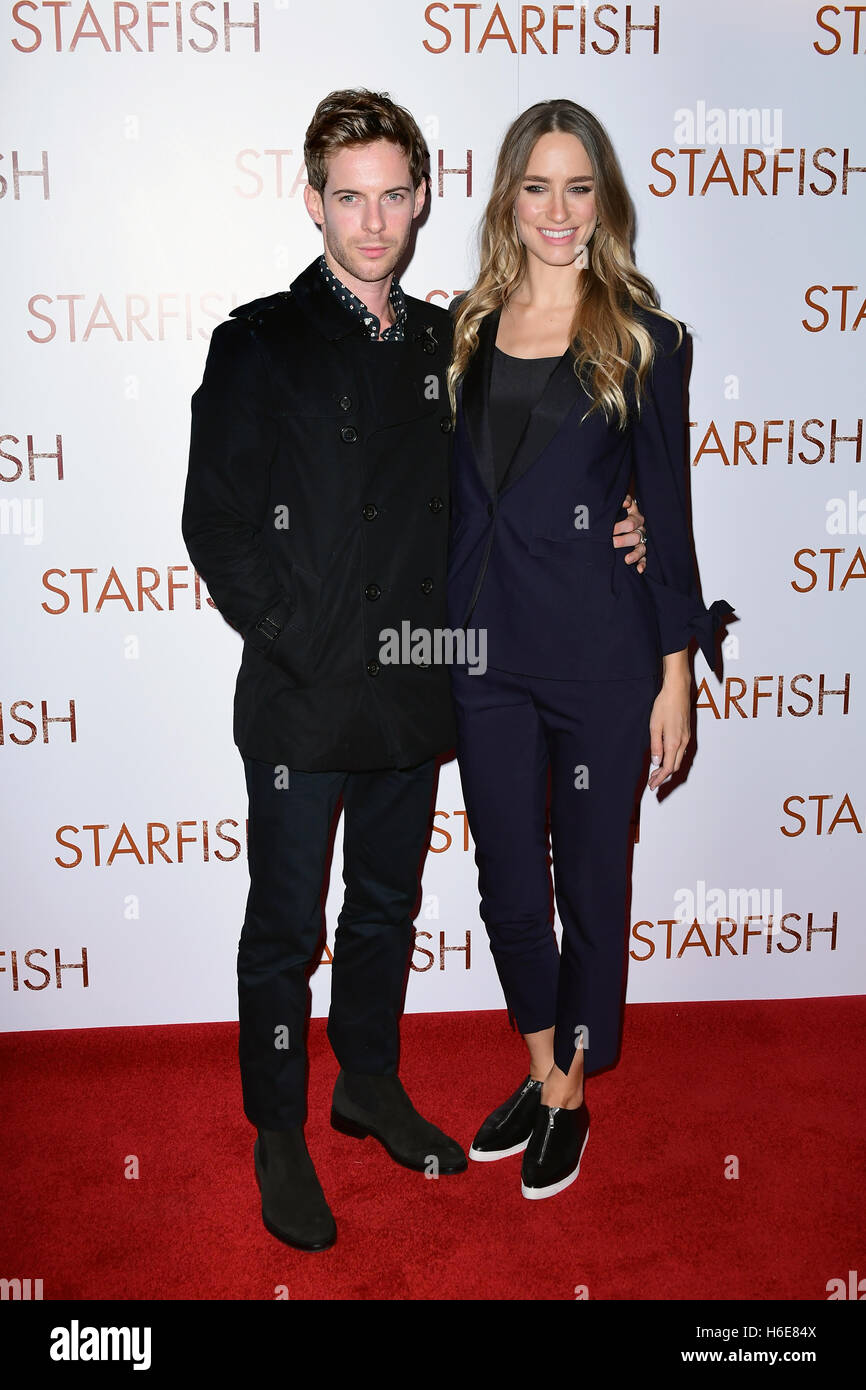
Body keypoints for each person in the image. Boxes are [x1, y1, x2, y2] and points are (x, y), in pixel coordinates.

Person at [182, 88, 648, 1252]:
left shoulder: (452, 341)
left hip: (415, 688)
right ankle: (280, 1127)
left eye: (395, 194)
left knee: (385, 907)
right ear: (314, 202)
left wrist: (623, 515)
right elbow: (216, 526)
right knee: (286, 929)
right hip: (300, 693)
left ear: (423, 197)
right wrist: (306, 640)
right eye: (351, 197)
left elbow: (523, 475)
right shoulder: (254, 341)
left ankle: (369, 1087)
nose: (374, 220)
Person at [446, 99, 732, 1200]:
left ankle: (566, 1083)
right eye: (536, 186)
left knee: (589, 885)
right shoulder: (463, 327)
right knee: (506, 876)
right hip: (484, 654)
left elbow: (667, 513)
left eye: (578, 187)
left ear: (601, 200)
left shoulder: (642, 339)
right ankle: (539, 1069)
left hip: (603, 659)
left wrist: (677, 676)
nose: (556, 210)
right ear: (507, 199)